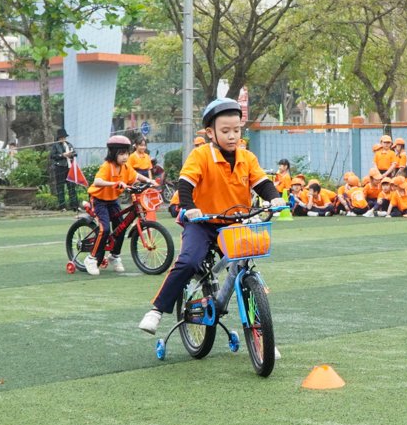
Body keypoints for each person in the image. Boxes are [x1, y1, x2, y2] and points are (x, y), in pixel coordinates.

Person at [138, 98, 285, 336]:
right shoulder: (201, 155)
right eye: (225, 131)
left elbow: (262, 183)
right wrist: (190, 207)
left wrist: (275, 197)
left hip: (232, 222)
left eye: (236, 130)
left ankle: (261, 335)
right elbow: (185, 184)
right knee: (189, 261)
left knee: (246, 263)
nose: (232, 136)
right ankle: (156, 310)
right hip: (202, 222)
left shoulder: (247, 157)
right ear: (210, 132)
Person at [83, 134, 140, 275]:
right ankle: (91, 259)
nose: (125, 157)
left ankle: (114, 256)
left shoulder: (126, 167)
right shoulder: (107, 166)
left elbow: (136, 176)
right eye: (121, 154)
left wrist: (151, 181)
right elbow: (97, 182)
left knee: (121, 227)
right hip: (98, 200)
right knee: (105, 229)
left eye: (127, 153)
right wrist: (114, 183)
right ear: (113, 153)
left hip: (112, 200)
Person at [47, 128, 73, 208]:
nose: (63, 139)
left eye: (64, 137)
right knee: (60, 187)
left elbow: (75, 153)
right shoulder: (55, 146)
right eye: (61, 138)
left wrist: (71, 154)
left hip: (69, 167)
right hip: (60, 167)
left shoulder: (69, 144)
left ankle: (74, 205)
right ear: (58, 138)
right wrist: (62, 155)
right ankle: (62, 206)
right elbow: (52, 156)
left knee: (71, 186)